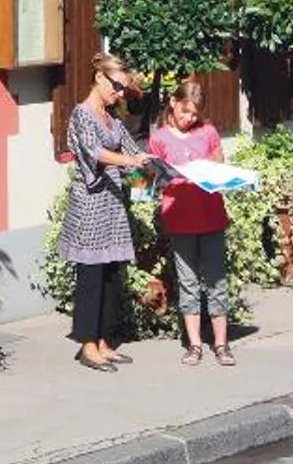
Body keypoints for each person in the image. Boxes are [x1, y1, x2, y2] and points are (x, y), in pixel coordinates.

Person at [61, 52, 154, 372]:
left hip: (113, 206)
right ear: (100, 78)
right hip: (90, 205)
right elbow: (94, 152)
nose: (119, 94)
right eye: (117, 87)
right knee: (91, 277)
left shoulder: (113, 120)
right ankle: (87, 346)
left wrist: (154, 170)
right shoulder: (82, 115)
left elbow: (133, 151)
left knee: (113, 276)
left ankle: (104, 342)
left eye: (123, 90)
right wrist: (131, 162)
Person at [148, 78, 236, 366]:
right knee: (187, 283)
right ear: (173, 103)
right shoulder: (159, 138)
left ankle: (221, 344)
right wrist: (157, 179)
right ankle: (194, 344)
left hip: (210, 216)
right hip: (180, 219)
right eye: (185, 112)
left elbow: (219, 167)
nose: (189, 119)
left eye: (195, 114)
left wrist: (212, 173)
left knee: (215, 280)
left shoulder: (208, 132)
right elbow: (150, 179)